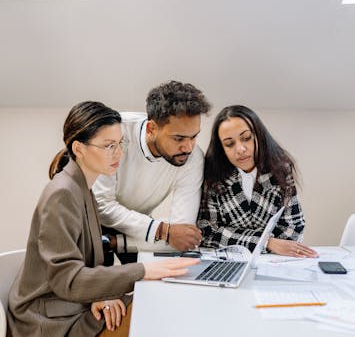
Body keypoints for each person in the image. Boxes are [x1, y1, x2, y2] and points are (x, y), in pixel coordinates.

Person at [7, 101, 198, 337]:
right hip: (50, 319)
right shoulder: (62, 194)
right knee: (154, 311)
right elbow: (65, 278)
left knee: (156, 301)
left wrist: (102, 294)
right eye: (108, 146)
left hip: (73, 303)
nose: (118, 153)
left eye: (120, 144)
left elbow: (80, 270)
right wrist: (142, 271)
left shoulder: (83, 188)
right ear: (79, 149)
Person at [93, 81, 211, 260]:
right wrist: (163, 230)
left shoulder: (193, 158)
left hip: (140, 225)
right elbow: (101, 205)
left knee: (147, 282)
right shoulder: (115, 133)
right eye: (178, 138)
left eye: (194, 136)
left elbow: (181, 236)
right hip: (93, 221)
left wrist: (166, 232)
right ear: (151, 129)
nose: (188, 147)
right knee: (98, 283)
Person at [197, 105, 317, 258]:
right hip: (228, 261)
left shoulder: (281, 168)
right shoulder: (213, 176)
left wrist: (235, 237)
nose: (240, 149)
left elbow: (294, 228)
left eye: (246, 138)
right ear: (222, 148)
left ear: (259, 136)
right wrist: (267, 242)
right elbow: (208, 232)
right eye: (229, 144)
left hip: (273, 261)